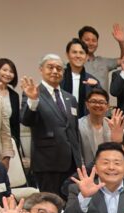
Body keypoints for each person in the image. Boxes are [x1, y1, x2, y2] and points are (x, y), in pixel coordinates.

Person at [20, 54, 83, 196]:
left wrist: (79, 160)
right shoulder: (33, 93)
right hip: (48, 163)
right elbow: (26, 120)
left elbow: (73, 131)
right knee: (50, 203)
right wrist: (33, 100)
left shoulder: (70, 98)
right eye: (50, 67)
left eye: (59, 69)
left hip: (72, 163)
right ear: (41, 69)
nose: (55, 71)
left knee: (72, 202)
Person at [80, 24, 124, 94]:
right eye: (87, 40)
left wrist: (121, 42)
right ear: (80, 41)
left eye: (94, 40)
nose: (91, 43)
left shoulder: (104, 62)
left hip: (103, 100)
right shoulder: (75, 63)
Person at [61, 38, 101, 118]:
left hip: (84, 122)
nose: (78, 56)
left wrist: (96, 86)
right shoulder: (59, 77)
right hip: (60, 120)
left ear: (86, 57)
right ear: (67, 55)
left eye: (81, 53)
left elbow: (100, 103)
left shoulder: (93, 81)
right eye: (74, 52)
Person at [0, 58, 23, 158]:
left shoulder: (14, 95)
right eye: (4, 70)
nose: (8, 74)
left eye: (11, 72)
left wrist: (16, 144)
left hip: (8, 143)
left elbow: (15, 124)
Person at [78, 87, 113, 165]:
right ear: (87, 104)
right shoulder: (78, 125)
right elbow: (78, 155)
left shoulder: (112, 126)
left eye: (101, 102)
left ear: (107, 106)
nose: (97, 105)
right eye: (93, 101)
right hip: (86, 170)